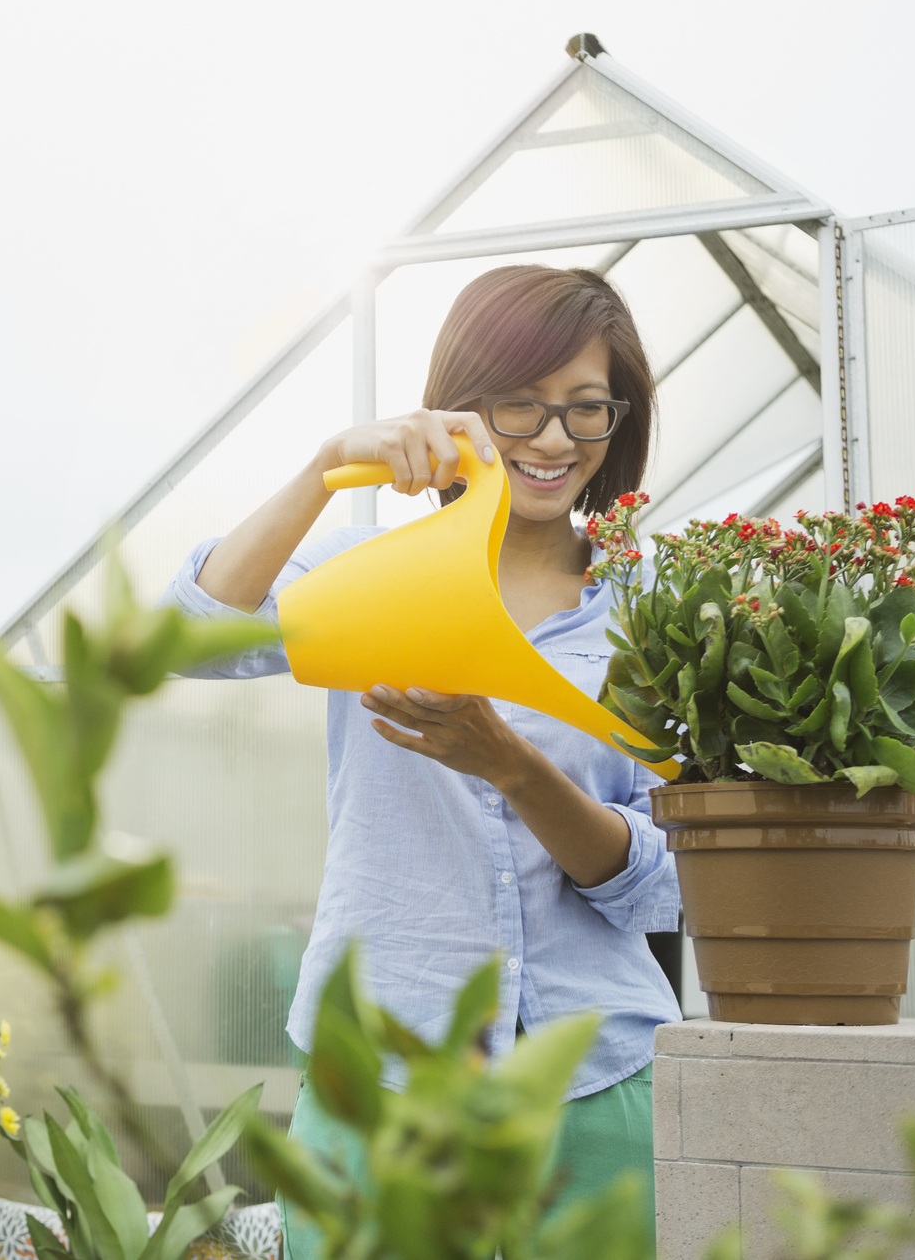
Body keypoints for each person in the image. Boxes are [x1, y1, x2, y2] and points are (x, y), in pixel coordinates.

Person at [166, 265, 679, 1250]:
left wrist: (515, 767)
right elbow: (189, 634)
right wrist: (325, 468)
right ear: (462, 408)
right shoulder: (365, 578)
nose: (554, 441)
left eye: (587, 411)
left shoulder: (653, 611)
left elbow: (664, 891)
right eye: (520, 407)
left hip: (594, 1077)